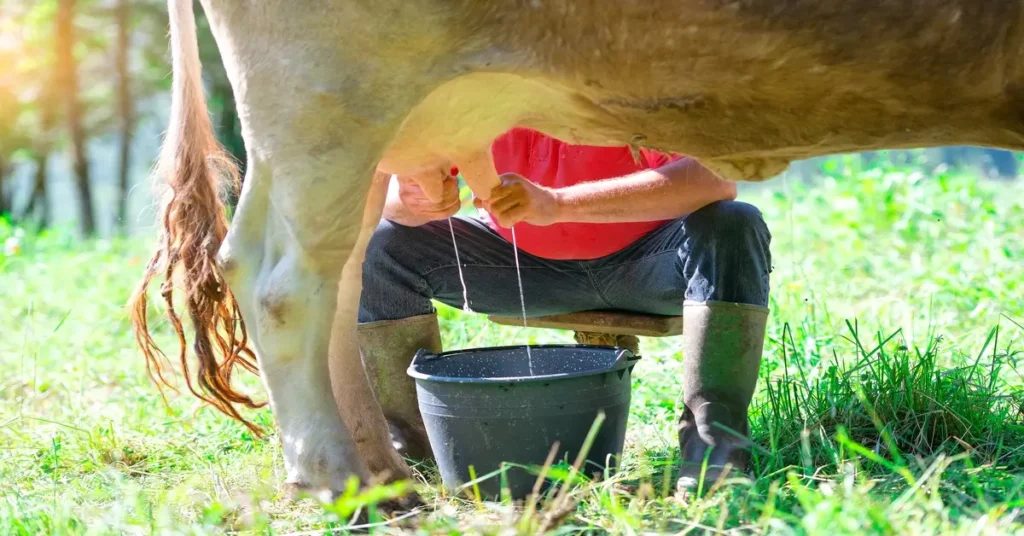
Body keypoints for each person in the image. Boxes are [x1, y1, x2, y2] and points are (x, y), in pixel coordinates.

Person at [349, 127, 772, 490]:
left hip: (653, 262)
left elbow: (715, 178)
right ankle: (410, 448)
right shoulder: (477, 84)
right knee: (383, 243)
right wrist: (414, 199)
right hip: (520, 265)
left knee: (734, 222)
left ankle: (714, 443)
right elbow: (392, 195)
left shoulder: (636, 60)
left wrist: (557, 203)